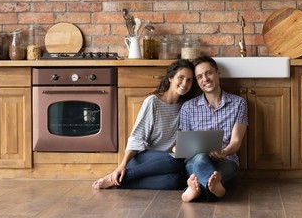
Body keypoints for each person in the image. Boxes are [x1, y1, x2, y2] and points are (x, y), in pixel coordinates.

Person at [92, 59, 196, 190]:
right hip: (144, 158)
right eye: (180, 78)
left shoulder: (184, 107)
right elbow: (137, 137)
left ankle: (120, 182)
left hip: (166, 161)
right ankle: (116, 175)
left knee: (176, 181)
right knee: (175, 162)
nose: (185, 83)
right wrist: (122, 164)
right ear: (170, 78)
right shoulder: (153, 102)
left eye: (189, 80)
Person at [178, 56, 248, 202]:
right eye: (199, 77)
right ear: (197, 81)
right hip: (197, 159)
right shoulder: (188, 107)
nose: (205, 79)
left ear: (217, 73)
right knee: (200, 160)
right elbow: (185, 144)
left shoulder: (239, 103)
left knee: (224, 170)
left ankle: (195, 191)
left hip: (226, 160)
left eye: (209, 73)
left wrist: (225, 152)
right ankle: (217, 191)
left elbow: (236, 140)